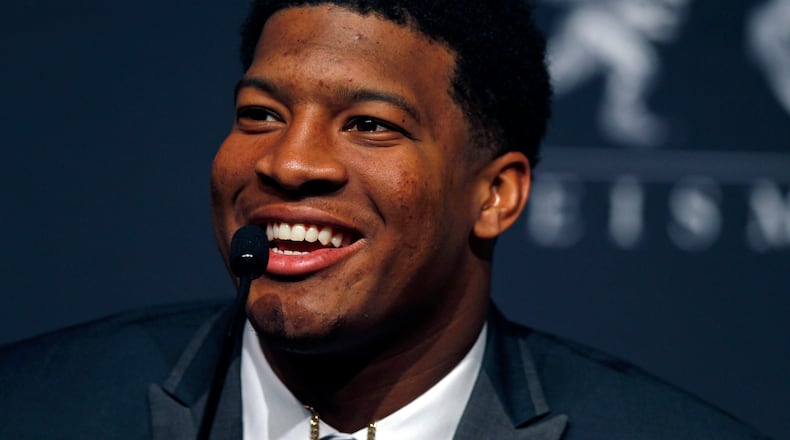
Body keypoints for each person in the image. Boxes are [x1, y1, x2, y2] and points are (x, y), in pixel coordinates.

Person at [0, 1, 768, 439]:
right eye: (260, 113)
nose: (289, 164)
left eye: (369, 125)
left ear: (495, 194)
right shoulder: (34, 409)